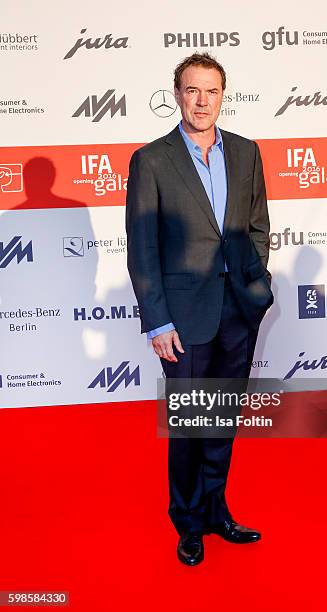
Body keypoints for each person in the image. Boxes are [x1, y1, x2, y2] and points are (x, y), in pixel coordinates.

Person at [126, 52, 273, 566]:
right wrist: (157, 319)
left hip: (238, 311)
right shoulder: (152, 160)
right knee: (189, 424)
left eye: (211, 91)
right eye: (193, 90)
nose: (202, 100)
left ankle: (216, 511)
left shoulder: (247, 152)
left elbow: (257, 226)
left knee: (222, 421)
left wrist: (257, 286)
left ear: (223, 95)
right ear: (177, 95)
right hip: (183, 319)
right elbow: (141, 247)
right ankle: (187, 521)